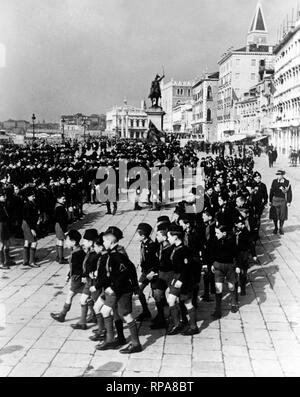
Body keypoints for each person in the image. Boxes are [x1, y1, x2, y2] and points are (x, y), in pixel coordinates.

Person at [94, 226, 142, 353]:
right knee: (115, 312)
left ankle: (136, 344)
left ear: (111, 242)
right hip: (117, 289)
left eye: (104, 241)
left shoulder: (117, 255)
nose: (103, 244)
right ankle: (119, 338)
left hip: (123, 290)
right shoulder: (112, 254)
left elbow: (128, 271)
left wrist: (114, 287)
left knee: (125, 314)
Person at [166, 224, 199, 336]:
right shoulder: (174, 248)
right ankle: (177, 324)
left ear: (176, 237)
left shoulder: (184, 250)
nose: (167, 238)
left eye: (169, 236)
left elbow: (187, 267)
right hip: (177, 277)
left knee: (187, 302)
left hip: (185, 279)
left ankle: (194, 327)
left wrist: (181, 280)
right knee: (171, 300)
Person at [51, 229, 86, 322]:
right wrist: (68, 275)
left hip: (77, 280)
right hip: (76, 278)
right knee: (86, 296)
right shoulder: (77, 251)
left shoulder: (77, 253)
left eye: (67, 240)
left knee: (71, 296)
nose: (66, 242)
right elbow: (73, 267)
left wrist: (76, 276)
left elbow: (79, 268)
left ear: (73, 242)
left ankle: (62, 315)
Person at [71, 228, 99, 330]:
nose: (83, 242)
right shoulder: (89, 251)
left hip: (95, 282)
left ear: (91, 242)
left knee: (99, 305)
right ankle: (82, 322)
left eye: (85, 241)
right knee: (83, 300)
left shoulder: (96, 253)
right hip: (88, 281)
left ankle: (103, 328)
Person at [211, 225, 239, 319]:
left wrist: (238, 266)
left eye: (217, 233)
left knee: (231, 286)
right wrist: (212, 263)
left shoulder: (231, 241)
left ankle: (234, 303)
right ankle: (217, 309)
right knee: (218, 288)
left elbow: (236, 254)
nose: (216, 235)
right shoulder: (215, 241)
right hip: (218, 266)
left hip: (230, 266)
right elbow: (212, 252)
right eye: (215, 233)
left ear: (224, 233)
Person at [135, 223, 159, 321]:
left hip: (152, 273)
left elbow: (157, 261)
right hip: (145, 272)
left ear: (143, 235)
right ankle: (146, 311)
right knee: (138, 291)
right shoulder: (143, 243)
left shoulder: (152, 245)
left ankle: (160, 314)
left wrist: (153, 272)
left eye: (138, 234)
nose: (136, 236)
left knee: (155, 294)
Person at [269, 170, 292, 235]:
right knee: (275, 215)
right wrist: (270, 201)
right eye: (277, 175)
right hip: (275, 199)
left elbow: (289, 192)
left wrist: (289, 201)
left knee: (282, 215)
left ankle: (281, 228)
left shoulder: (287, 182)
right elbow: (271, 191)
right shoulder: (274, 181)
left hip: (283, 200)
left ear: (282, 175)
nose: (278, 176)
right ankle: (276, 227)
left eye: (280, 175)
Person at [22, 187, 40, 268]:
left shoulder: (30, 203)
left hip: (25, 224)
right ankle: (31, 261)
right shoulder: (28, 205)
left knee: (27, 241)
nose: (34, 197)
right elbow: (29, 218)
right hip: (29, 225)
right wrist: (32, 229)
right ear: (28, 197)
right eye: (32, 196)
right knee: (34, 242)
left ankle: (25, 260)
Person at [54, 194, 69, 264]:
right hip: (60, 226)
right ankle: (61, 258)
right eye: (63, 199)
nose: (64, 200)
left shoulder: (57, 205)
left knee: (58, 240)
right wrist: (65, 230)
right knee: (61, 241)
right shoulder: (60, 208)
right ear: (58, 199)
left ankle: (58, 256)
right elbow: (61, 220)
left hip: (57, 225)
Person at [0, 187, 11, 269]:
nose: (5, 197)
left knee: (7, 243)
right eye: (3, 196)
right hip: (0, 225)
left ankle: (7, 260)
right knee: (1, 244)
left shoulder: (4, 204)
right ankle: (1, 263)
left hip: (5, 224)